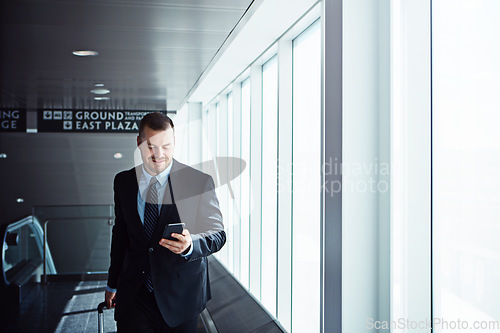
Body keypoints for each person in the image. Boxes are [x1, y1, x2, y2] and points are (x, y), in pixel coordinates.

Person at [105, 112, 226, 332]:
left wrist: (191, 245)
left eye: (166, 146)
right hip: (135, 294)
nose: (159, 154)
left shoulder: (198, 182)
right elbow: (121, 234)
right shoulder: (123, 182)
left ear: (174, 144)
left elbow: (217, 234)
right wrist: (112, 282)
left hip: (181, 295)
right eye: (151, 146)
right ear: (139, 143)